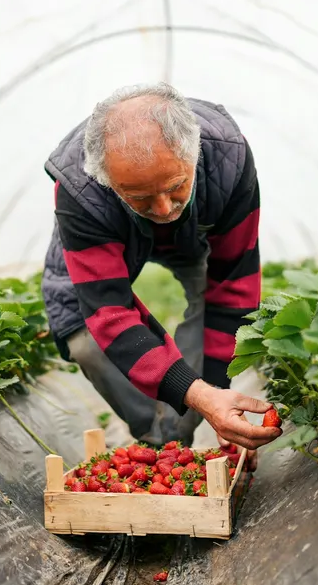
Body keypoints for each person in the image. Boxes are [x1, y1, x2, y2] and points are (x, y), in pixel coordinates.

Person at [40, 83, 281, 465]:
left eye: (175, 186)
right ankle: (157, 440)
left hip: (195, 237)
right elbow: (109, 314)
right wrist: (198, 395)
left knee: (216, 317)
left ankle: (183, 429)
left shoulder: (228, 159)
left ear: (194, 153)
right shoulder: (80, 188)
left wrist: (218, 397)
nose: (164, 207)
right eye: (139, 196)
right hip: (109, 234)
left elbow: (232, 287)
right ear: (108, 180)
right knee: (82, 337)